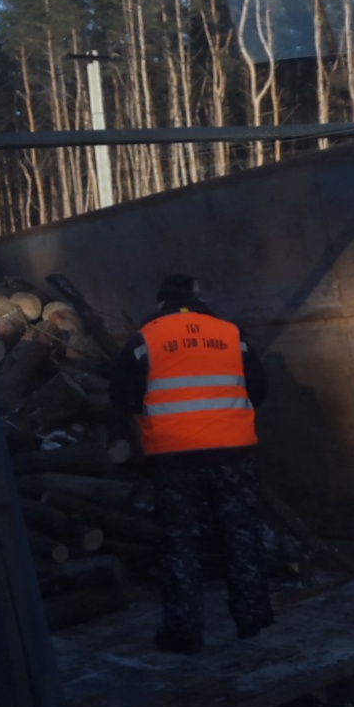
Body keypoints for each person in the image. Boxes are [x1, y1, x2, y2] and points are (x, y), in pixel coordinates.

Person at [110, 274, 274, 653]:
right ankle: (252, 618)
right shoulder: (233, 334)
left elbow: (121, 396)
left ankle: (184, 632)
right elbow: (260, 390)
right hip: (232, 454)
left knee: (179, 543)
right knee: (241, 534)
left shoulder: (145, 339)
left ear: (161, 300)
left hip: (174, 459)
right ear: (198, 297)